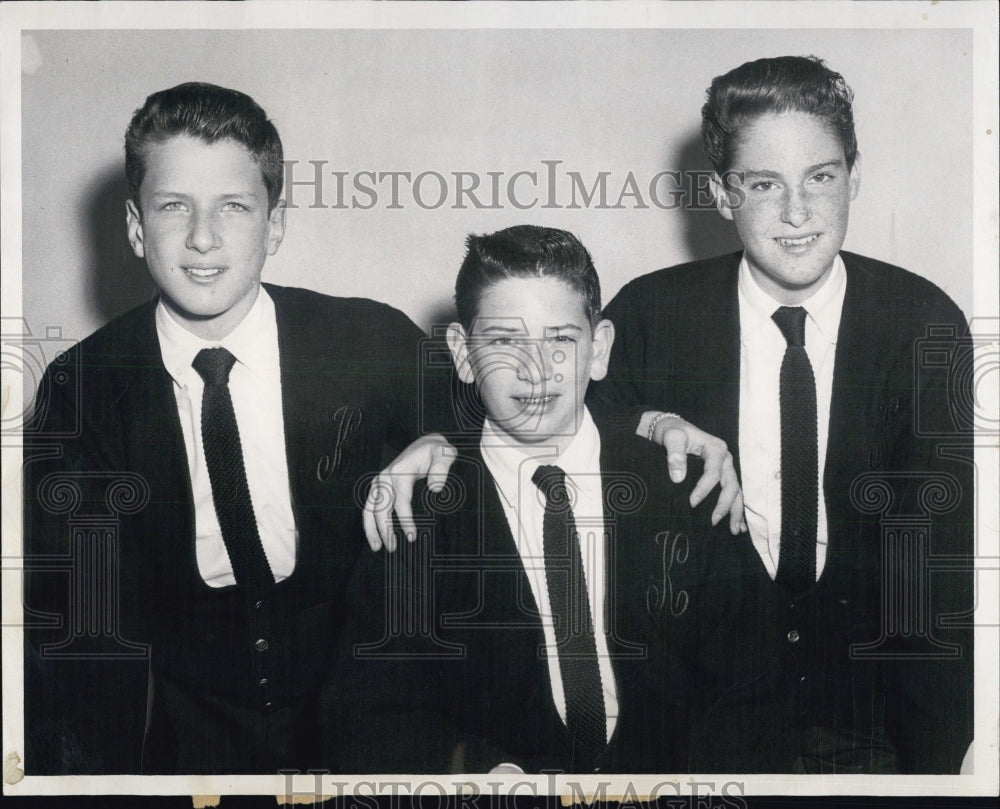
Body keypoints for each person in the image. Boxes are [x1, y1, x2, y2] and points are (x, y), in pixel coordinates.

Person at [22, 82, 451, 774]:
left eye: (234, 206)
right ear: (135, 227)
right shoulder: (82, 386)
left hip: (366, 732)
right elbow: (68, 631)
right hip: (182, 748)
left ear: (274, 225)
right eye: (172, 207)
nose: (202, 237)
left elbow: (522, 439)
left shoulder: (371, 340)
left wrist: (446, 443)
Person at [588, 55, 974, 773]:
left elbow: (940, 580)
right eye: (764, 183)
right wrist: (651, 424)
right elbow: (547, 427)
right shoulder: (647, 315)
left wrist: (937, 772)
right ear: (721, 193)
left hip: (868, 730)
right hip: (692, 735)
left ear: (854, 177)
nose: (797, 212)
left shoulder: (924, 324)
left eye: (820, 178)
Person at [325, 225, 722, 773]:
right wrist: (476, 769)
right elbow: (370, 713)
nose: (535, 369)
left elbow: (752, 687)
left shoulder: (681, 485)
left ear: (598, 349)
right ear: (464, 356)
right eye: (505, 341)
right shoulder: (415, 513)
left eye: (560, 339)